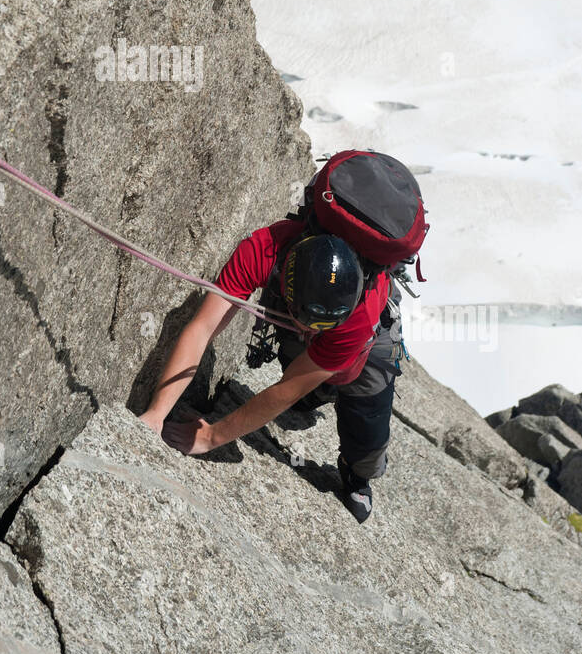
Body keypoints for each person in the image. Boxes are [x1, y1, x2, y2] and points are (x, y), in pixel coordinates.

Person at [139, 223, 405, 523]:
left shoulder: (361, 315)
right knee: (305, 394)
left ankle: (357, 474)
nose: (310, 330)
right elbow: (204, 327)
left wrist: (211, 437)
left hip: (367, 335)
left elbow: (287, 389)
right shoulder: (263, 250)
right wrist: (156, 414)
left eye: (318, 326)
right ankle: (318, 390)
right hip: (301, 307)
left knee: (368, 431)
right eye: (307, 321)